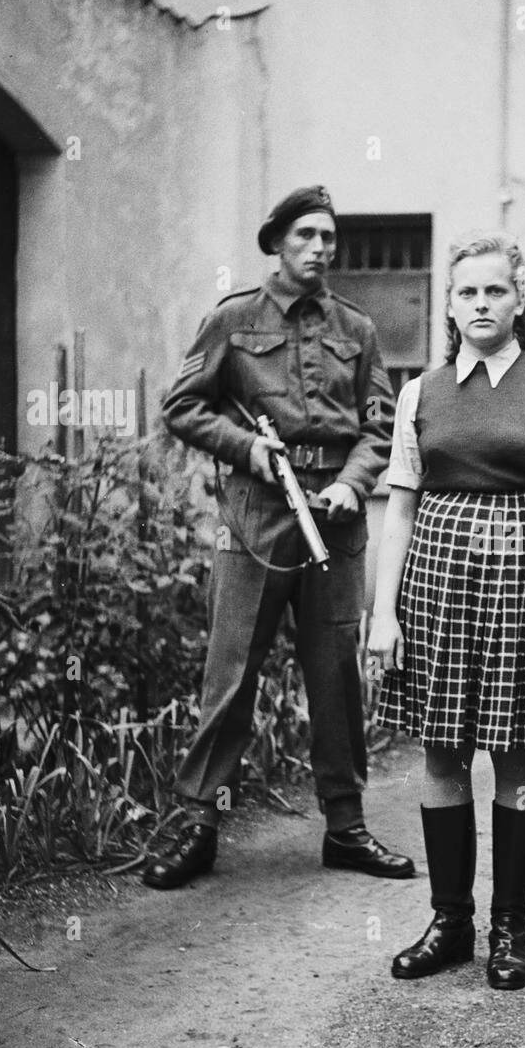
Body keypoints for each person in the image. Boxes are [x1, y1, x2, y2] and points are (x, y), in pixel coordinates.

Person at [144, 185, 415, 888]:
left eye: (328, 236)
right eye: (305, 235)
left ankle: (346, 828)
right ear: (277, 243)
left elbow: (380, 423)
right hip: (257, 516)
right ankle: (198, 825)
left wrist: (354, 482)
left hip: (335, 517)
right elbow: (182, 406)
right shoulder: (233, 319)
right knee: (231, 674)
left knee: (337, 678)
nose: (320, 248)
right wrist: (247, 448)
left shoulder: (357, 328)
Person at [368, 231, 525, 990]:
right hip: (436, 582)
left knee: (515, 753)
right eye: (467, 292)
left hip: (524, 582)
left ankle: (510, 930)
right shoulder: (420, 393)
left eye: (496, 290)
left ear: (519, 300)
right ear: (451, 305)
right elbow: (399, 511)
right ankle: (450, 923)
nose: (482, 303)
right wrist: (384, 615)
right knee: (442, 750)